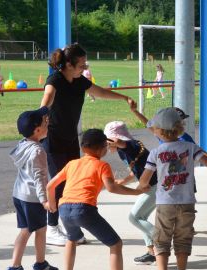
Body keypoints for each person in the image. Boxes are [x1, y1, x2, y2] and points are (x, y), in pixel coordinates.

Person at [40, 43, 136, 246]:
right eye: (81, 65)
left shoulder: (79, 81)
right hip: (53, 139)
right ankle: (51, 228)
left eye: (85, 65)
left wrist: (123, 97)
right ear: (68, 64)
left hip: (70, 138)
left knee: (73, 181)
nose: (84, 68)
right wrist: (41, 113)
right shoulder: (55, 79)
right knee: (59, 183)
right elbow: (48, 96)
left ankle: (69, 227)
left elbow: (100, 92)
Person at [136, 107, 207, 270]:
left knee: (161, 241)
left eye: (154, 128)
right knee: (183, 239)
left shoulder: (155, 153)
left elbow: (144, 181)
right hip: (187, 202)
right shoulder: (190, 148)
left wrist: (142, 186)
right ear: (179, 128)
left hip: (165, 204)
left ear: (161, 131)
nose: (153, 130)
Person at [46, 129, 145, 270]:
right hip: (83, 209)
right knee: (115, 244)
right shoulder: (102, 165)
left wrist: (51, 204)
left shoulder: (72, 164)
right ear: (102, 149)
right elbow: (112, 188)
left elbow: (50, 185)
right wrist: (137, 192)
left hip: (64, 208)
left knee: (72, 239)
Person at [5, 107, 60, 270]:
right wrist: (45, 200)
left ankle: (39, 263)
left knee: (35, 229)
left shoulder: (22, 145)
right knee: (30, 231)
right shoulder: (38, 151)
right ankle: (17, 266)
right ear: (37, 130)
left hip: (19, 194)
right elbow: (39, 177)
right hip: (32, 198)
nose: (47, 123)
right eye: (45, 123)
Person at [104, 120, 158, 265]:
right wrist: (124, 181)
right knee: (142, 218)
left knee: (134, 217)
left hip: (155, 187)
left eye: (108, 140)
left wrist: (114, 141)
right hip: (150, 186)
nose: (107, 145)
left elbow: (123, 143)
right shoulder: (124, 151)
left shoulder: (131, 145)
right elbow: (137, 169)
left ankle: (161, 239)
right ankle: (151, 252)